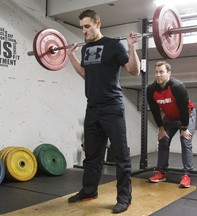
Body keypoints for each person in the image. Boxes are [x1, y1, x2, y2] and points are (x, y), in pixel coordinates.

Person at [66, 9, 141, 213]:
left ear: (98, 23)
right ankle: (89, 190)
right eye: (82, 27)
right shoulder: (86, 49)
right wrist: (71, 55)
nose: (84, 31)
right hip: (93, 107)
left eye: (87, 26)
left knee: (120, 155)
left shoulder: (114, 45)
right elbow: (85, 74)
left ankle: (124, 198)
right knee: (92, 154)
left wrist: (132, 47)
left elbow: (133, 70)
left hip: (112, 107)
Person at [146, 61, 196, 188]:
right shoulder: (151, 90)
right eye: (156, 72)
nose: (158, 75)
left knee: (185, 141)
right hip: (169, 117)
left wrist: (184, 128)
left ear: (169, 73)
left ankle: (186, 174)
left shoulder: (177, 86)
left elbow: (184, 109)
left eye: (161, 72)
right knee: (163, 141)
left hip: (186, 115)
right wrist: (161, 129)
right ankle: (161, 173)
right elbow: (155, 111)